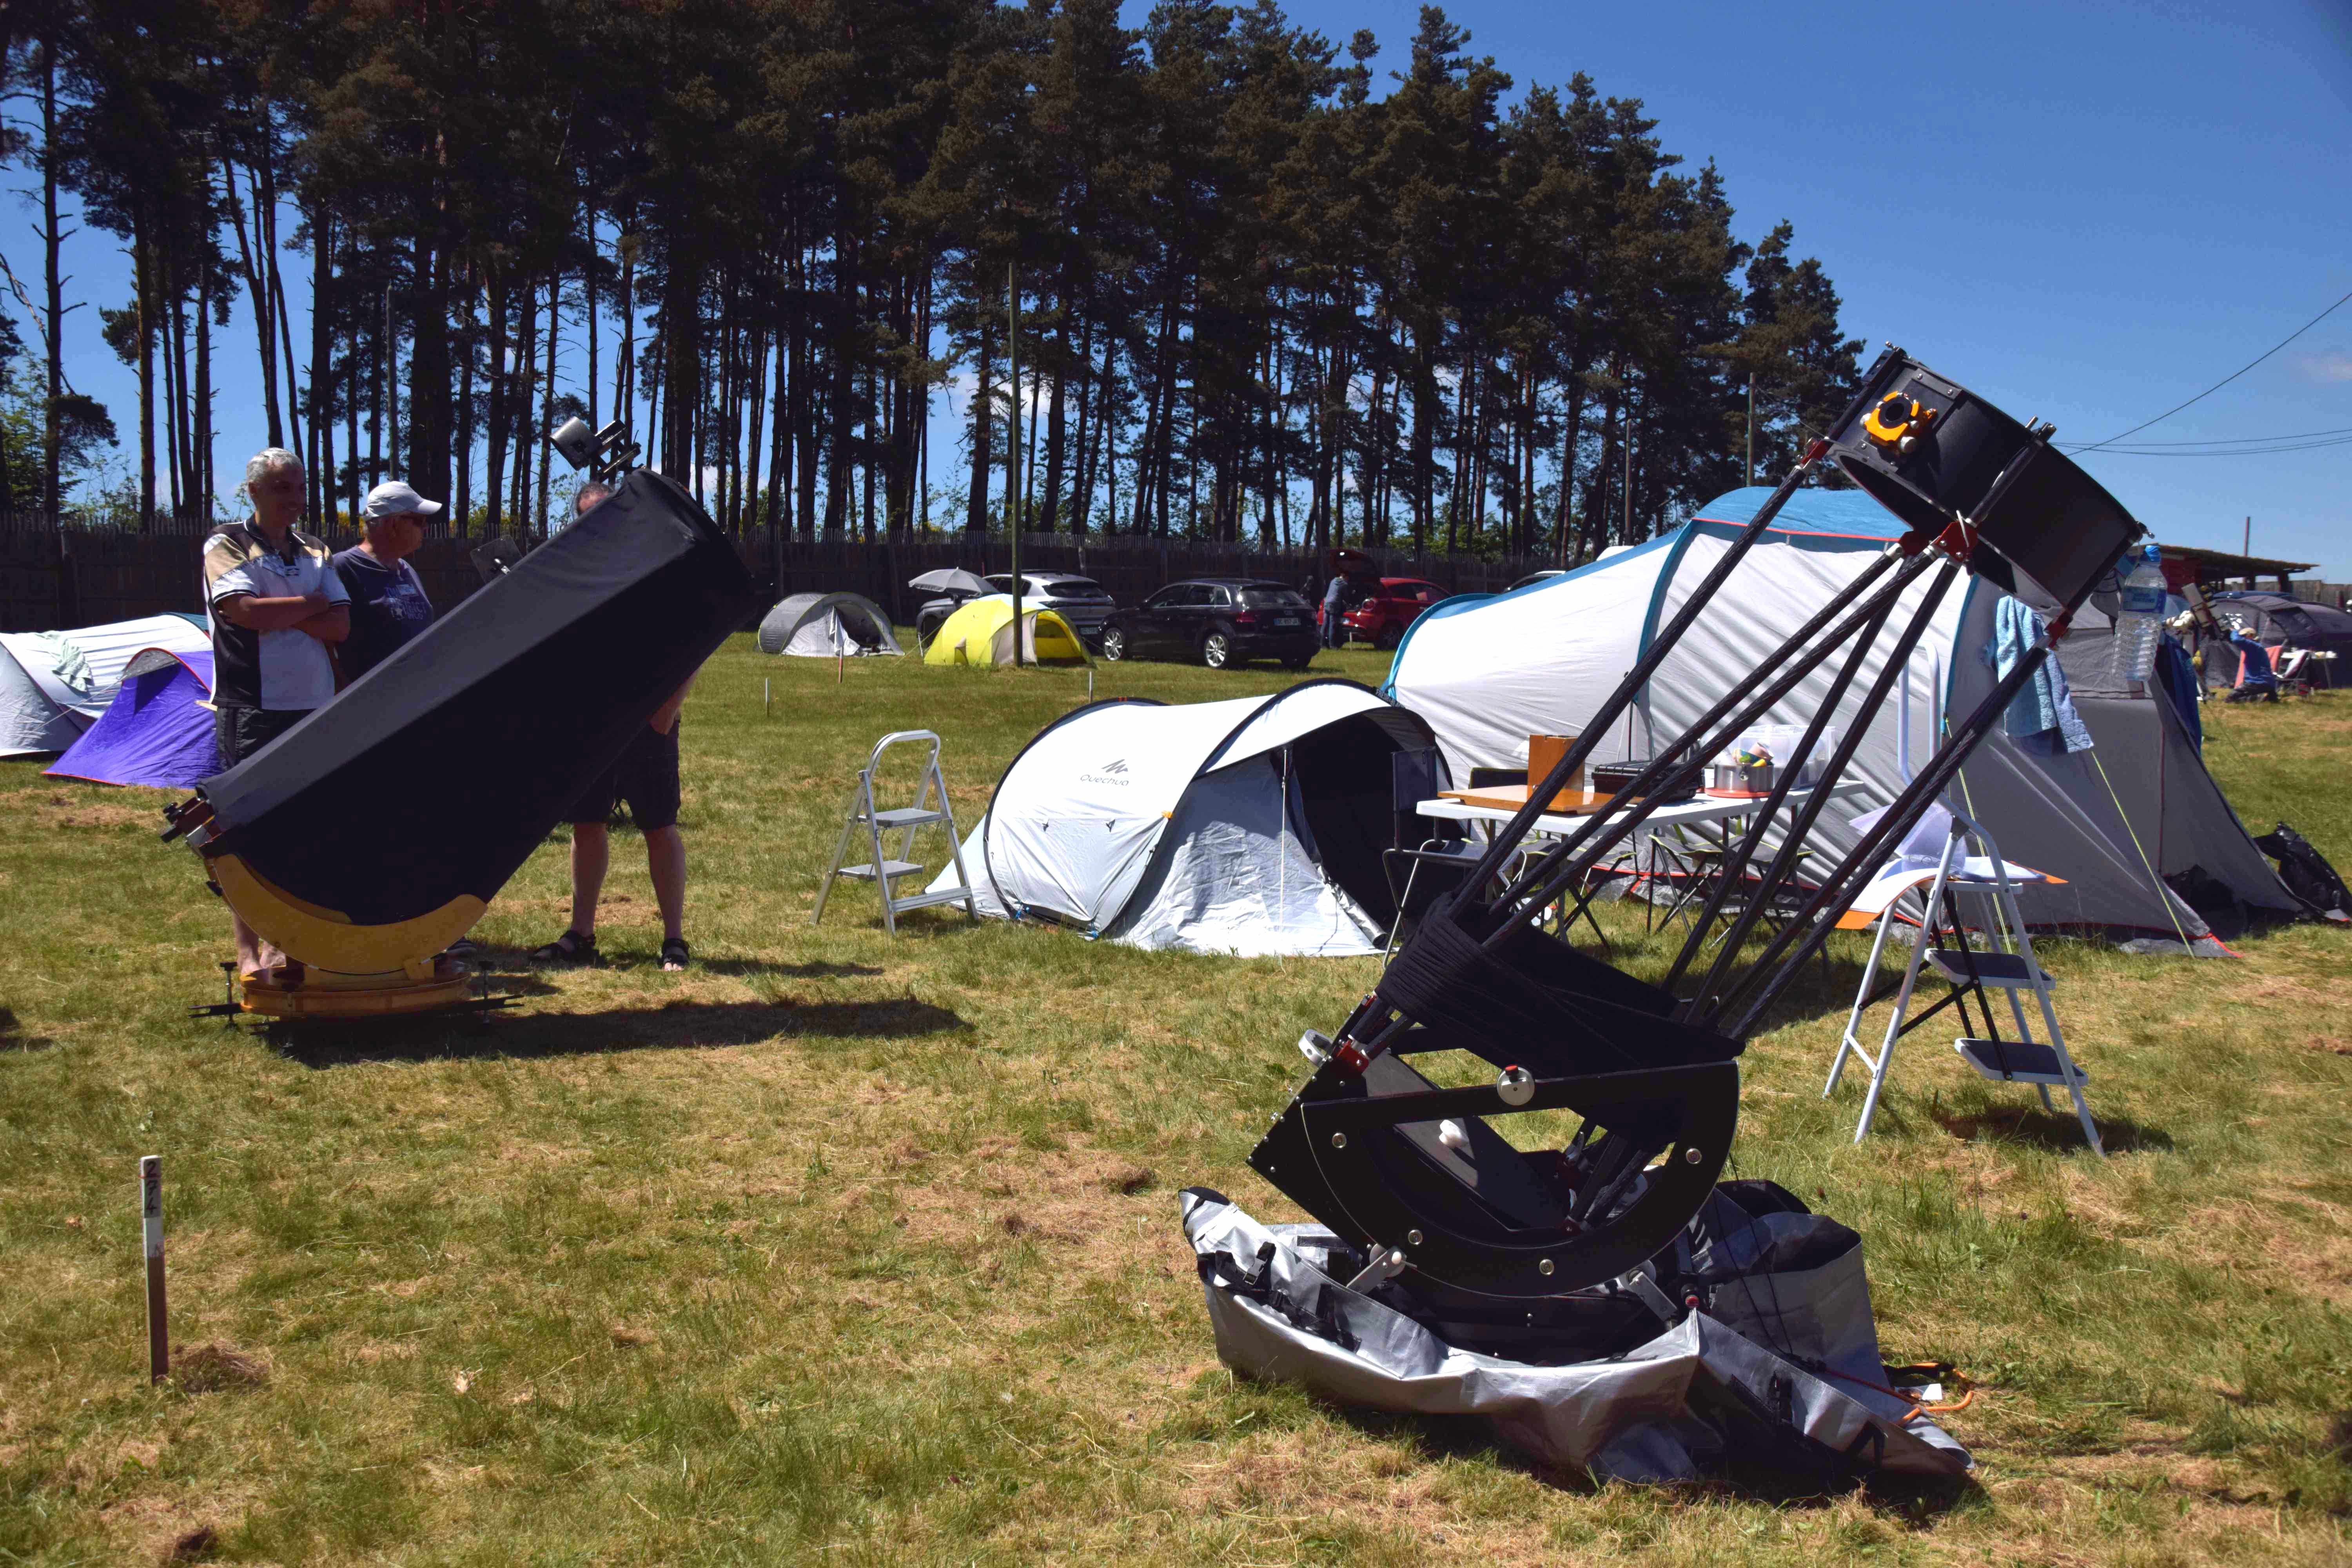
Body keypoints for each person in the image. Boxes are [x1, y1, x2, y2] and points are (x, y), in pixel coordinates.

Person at [532, 478, 695, 971]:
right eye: (588, 517)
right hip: (590, 723)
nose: (598, 524)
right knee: (587, 825)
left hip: (649, 724)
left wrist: (666, 712)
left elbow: (693, 641)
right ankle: (581, 933)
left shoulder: (656, 566)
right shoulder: (571, 572)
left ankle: (674, 939)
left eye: (606, 514)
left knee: (659, 827)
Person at [203, 447, 349, 978]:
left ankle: (287, 943)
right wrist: (311, 605)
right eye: (283, 487)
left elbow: (340, 626)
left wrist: (286, 612)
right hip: (252, 706)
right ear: (255, 492)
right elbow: (243, 612)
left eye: (300, 486)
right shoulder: (226, 543)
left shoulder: (315, 548)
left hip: (314, 707)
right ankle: (249, 951)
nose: (295, 497)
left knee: (306, 828)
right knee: (247, 831)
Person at [332, 481, 442, 682]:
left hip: (419, 691)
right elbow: (327, 647)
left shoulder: (407, 569)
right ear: (393, 524)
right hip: (372, 697)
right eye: (419, 521)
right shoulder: (344, 568)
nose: (426, 528)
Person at [1321, 571, 1348, 648]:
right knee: (1332, 625)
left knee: (1325, 625)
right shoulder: (1344, 584)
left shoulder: (1333, 581)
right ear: (1346, 577)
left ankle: (1322, 644)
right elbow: (1346, 596)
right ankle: (1332, 645)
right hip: (1335, 605)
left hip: (1327, 603)